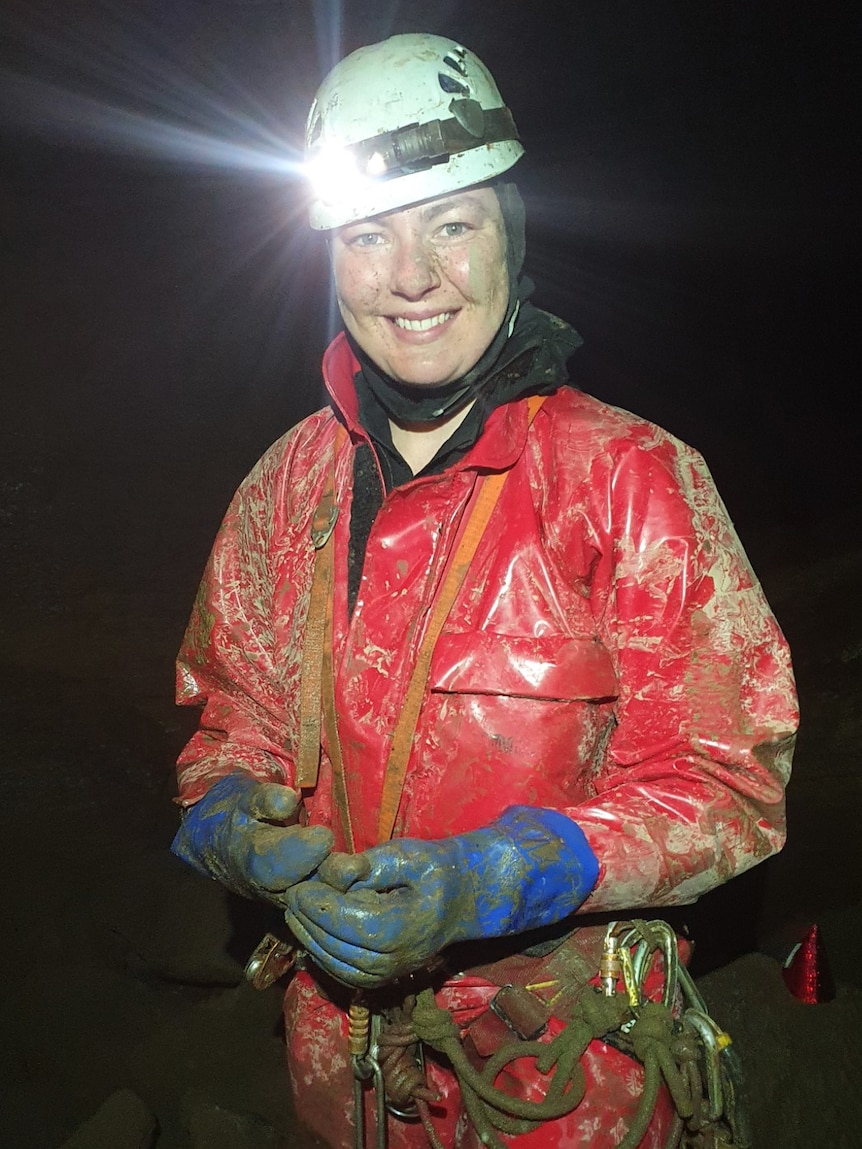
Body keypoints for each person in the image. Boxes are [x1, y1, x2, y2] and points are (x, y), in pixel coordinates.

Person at [171, 32, 798, 1149]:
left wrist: (502, 874)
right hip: (339, 1070)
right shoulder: (285, 490)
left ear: (510, 238)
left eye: (450, 225)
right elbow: (230, 732)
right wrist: (231, 828)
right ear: (330, 259)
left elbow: (727, 782)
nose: (410, 276)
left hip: (561, 1074)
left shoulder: (626, 479)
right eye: (369, 236)